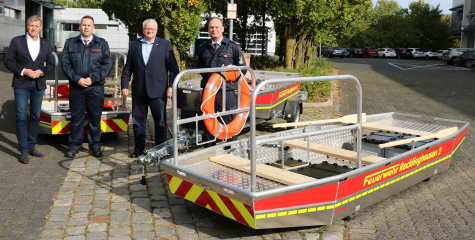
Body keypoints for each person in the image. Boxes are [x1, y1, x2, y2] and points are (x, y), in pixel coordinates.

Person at [121, 19, 179, 158]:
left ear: (156, 30)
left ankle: (160, 148)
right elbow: (128, 68)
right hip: (139, 90)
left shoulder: (165, 44)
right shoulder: (134, 44)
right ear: (143, 30)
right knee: (138, 121)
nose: (150, 31)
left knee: (160, 122)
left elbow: (174, 68)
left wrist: (171, 86)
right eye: (147, 29)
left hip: (158, 90)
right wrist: (124, 85)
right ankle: (139, 148)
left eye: (152, 29)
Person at [4, 15, 55, 164]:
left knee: (35, 116)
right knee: (20, 116)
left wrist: (41, 71)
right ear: (27, 26)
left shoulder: (45, 43)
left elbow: (51, 64)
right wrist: (23, 70)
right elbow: (8, 61)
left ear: (40, 27)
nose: (34, 28)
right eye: (31, 25)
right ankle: (23, 150)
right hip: (21, 84)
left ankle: (32, 146)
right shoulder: (17, 41)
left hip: (38, 84)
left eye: (37, 26)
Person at [62, 15, 111, 158]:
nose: (86, 27)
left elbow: (106, 65)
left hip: (95, 87)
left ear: (93, 27)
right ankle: (74, 146)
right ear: (79, 27)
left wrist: (91, 79)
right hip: (77, 87)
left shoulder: (102, 44)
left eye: (89, 25)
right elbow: (66, 65)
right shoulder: (70, 43)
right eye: (84, 25)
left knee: (95, 117)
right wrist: (77, 79)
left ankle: (95, 145)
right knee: (76, 118)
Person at [197, 17, 247, 147]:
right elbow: (201, 69)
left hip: (227, 92)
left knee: (228, 120)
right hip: (209, 93)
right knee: (208, 121)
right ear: (208, 30)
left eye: (217, 27)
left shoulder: (233, 47)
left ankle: (229, 150)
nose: (214, 30)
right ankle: (208, 149)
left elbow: (242, 70)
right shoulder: (203, 48)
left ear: (223, 29)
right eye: (211, 27)